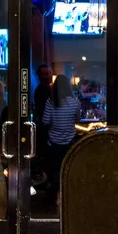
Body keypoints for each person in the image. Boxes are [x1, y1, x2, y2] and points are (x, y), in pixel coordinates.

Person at [42, 75, 80, 205]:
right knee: (68, 168)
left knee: (54, 170)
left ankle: (57, 192)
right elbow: (78, 119)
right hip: (69, 142)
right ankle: (67, 194)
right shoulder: (75, 101)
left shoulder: (50, 102)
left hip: (53, 143)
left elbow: (45, 121)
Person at [32, 64, 53, 183]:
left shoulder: (49, 89)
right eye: (45, 74)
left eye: (49, 73)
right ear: (40, 76)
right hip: (45, 129)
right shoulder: (42, 90)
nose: (48, 76)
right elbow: (43, 113)